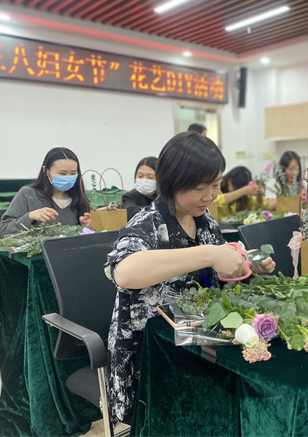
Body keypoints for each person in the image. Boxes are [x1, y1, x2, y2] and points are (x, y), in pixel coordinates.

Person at [104, 132, 276, 424]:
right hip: (152, 356)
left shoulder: (203, 219)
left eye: (216, 185)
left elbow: (213, 276)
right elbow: (125, 272)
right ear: (172, 183)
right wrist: (209, 253)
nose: (209, 196)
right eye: (199, 188)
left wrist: (244, 264)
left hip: (197, 343)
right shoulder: (147, 223)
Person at [0, 147, 90, 237]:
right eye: (62, 173)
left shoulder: (80, 198)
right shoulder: (28, 194)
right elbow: (5, 231)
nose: (68, 178)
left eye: (73, 173)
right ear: (46, 171)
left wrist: (88, 226)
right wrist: (30, 216)